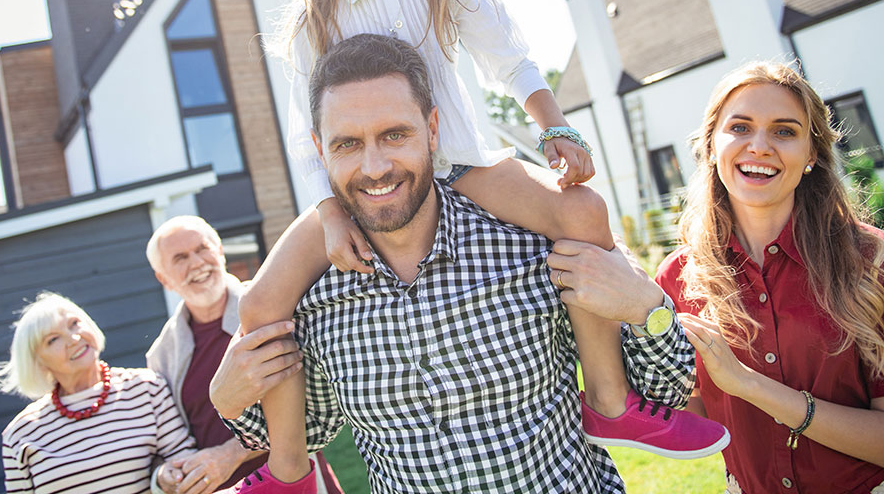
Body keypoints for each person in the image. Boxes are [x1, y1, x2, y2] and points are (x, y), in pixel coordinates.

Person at [233, 0, 723, 492]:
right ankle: (290, 471)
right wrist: (327, 213)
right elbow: (307, 133)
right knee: (261, 302)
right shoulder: (310, 16)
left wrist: (555, 130)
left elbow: (512, 62)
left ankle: (610, 400)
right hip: (358, 190)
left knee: (583, 209)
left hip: (463, 164)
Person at [214, 33, 727, 494]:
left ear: (433, 129)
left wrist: (648, 306)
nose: (374, 167)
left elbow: (665, 389)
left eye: (395, 135)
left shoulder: (536, 242)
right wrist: (227, 397)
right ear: (319, 151)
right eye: (348, 144)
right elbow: (310, 430)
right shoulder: (315, 297)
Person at [655, 61, 884, 494]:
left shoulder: (871, 260)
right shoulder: (677, 279)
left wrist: (749, 385)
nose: (758, 146)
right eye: (740, 127)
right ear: (711, 144)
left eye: (784, 131)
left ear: (812, 154)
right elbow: (694, 422)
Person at [144, 215, 343, 494]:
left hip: (296, 481)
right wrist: (162, 476)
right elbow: (166, 440)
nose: (197, 263)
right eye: (180, 258)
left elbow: (312, 409)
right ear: (163, 279)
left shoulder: (274, 306)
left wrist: (231, 454)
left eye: (202, 248)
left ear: (220, 250)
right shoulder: (161, 355)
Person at [0, 291, 196, 493]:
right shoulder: (20, 434)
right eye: (53, 339)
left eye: (74, 324)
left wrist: (165, 477)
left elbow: (185, 463)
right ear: (37, 363)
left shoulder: (146, 388)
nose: (74, 339)